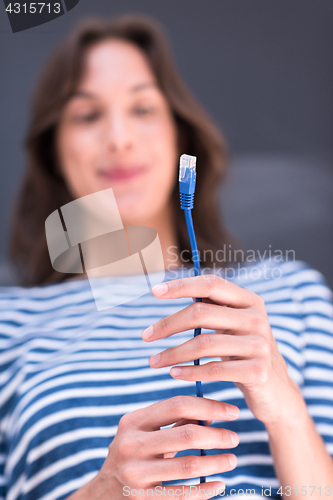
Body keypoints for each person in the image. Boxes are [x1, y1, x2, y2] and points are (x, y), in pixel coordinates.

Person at [1, 14, 333, 500]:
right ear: (54, 151)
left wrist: (285, 410)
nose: (118, 138)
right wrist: (106, 489)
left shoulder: (291, 292)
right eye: (87, 115)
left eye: (143, 109)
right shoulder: (8, 324)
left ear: (182, 137)